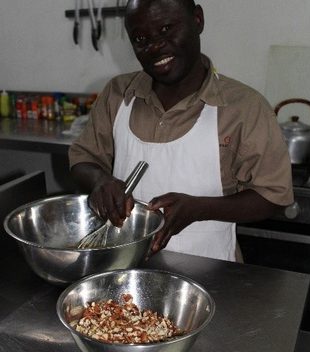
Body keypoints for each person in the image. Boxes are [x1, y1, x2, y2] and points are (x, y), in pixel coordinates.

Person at [68, 0, 293, 262]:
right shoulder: (118, 95)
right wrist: (99, 181)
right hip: (123, 269)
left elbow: (275, 197)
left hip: (211, 273)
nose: (154, 46)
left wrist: (199, 208)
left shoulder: (244, 108)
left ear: (197, 20)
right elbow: (83, 159)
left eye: (166, 29)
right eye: (140, 38)